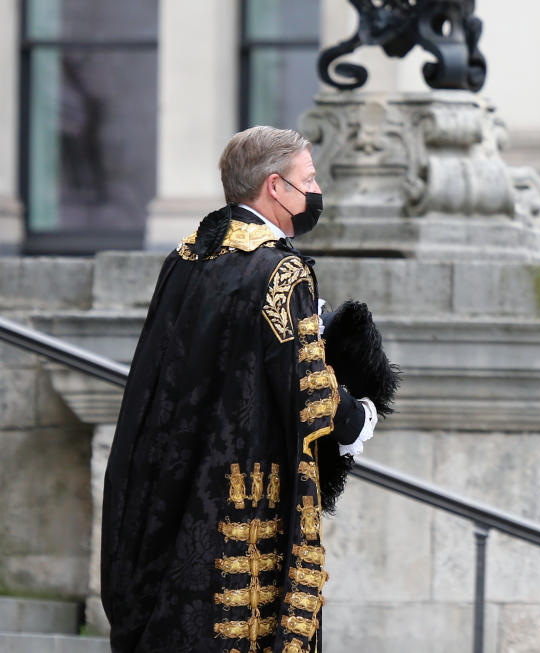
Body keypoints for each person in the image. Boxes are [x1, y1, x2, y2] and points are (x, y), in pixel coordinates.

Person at [101, 126, 398, 652]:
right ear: (276, 186)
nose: (317, 190)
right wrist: (361, 417)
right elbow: (309, 394)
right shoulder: (280, 270)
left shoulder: (187, 256)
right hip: (246, 497)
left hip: (172, 486)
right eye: (309, 179)